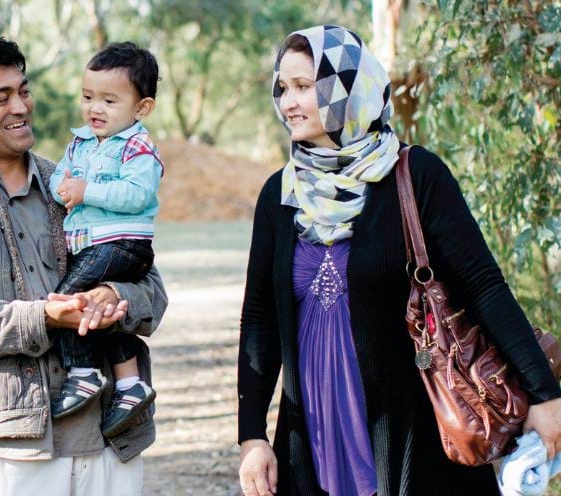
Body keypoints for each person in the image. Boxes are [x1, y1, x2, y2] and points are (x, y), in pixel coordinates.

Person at [236, 25, 561, 496]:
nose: (288, 102)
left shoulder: (416, 175)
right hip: (311, 433)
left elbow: (483, 286)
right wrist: (252, 437)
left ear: (348, 86)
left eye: (305, 86)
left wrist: (544, 394)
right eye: (283, 87)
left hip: (412, 432)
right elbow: (259, 320)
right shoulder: (279, 195)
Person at [0, 34, 167, 496]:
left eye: (23, 90)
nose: (21, 106)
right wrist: (43, 316)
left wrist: (114, 296)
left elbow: (152, 290)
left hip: (110, 438)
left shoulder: (73, 184)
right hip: (13, 451)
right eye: (1, 98)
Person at [47, 41, 163, 437]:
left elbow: (137, 195)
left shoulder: (138, 147)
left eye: (109, 100)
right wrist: (60, 187)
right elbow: (58, 176)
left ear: (141, 107)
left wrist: (86, 191)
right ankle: (130, 385)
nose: (95, 108)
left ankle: (83, 373)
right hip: (93, 244)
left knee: (68, 299)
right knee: (101, 310)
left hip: (124, 244)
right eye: (88, 97)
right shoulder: (80, 142)